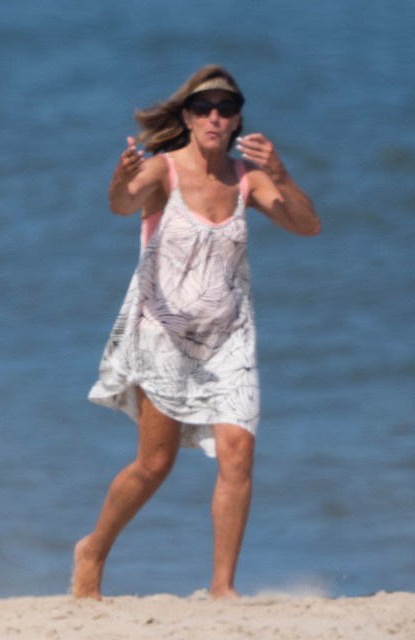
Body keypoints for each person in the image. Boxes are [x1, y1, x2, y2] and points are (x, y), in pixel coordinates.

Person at [74, 65, 321, 600]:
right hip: (162, 335)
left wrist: (280, 171)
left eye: (226, 109)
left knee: (238, 453)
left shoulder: (247, 179)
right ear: (187, 117)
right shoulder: (162, 172)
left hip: (230, 341)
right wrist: (120, 176)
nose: (215, 116)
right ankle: (92, 550)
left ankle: (221, 588)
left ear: (237, 122)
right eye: (205, 107)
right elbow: (121, 204)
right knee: (154, 464)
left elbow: (307, 224)